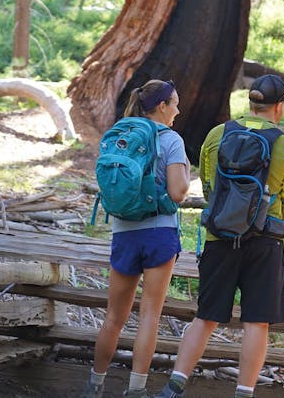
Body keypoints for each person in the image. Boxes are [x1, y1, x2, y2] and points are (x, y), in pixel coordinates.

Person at [156, 74, 284, 398]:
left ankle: (175, 385)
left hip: (219, 237)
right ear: (278, 107)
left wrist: (229, 213)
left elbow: (208, 187)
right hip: (264, 242)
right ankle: (244, 392)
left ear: (250, 102)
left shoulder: (218, 133)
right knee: (256, 322)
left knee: (205, 317)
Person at [80, 79, 191, 398]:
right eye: (175, 103)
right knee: (149, 316)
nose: (178, 110)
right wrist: (185, 171)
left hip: (124, 232)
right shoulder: (171, 140)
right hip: (159, 233)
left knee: (114, 316)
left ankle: (95, 384)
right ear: (161, 106)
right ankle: (136, 390)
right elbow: (177, 192)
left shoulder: (123, 135)